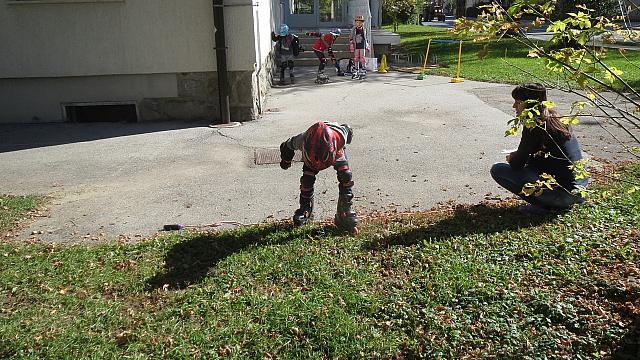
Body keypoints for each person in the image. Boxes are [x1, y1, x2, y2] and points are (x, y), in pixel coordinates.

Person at [490, 83, 589, 214]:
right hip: (581, 188)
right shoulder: (557, 118)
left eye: (518, 102)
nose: (514, 106)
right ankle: (563, 201)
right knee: (531, 167)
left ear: (530, 105)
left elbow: (517, 164)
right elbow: (548, 157)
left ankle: (543, 206)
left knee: (498, 169)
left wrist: (514, 157)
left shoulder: (534, 125)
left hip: (564, 196)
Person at [279, 121, 358, 233]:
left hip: (337, 152)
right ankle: (306, 209)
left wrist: (286, 161)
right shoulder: (301, 139)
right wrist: (286, 160)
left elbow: (348, 129)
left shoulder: (341, 136)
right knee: (307, 180)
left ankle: (344, 210)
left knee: (346, 176)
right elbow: (286, 146)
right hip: (311, 155)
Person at [349, 15, 369, 79]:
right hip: (356, 45)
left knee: (362, 57)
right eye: (357, 22)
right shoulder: (354, 29)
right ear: (355, 23)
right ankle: (356, 69)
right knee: (356, 57)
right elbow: (351, 37)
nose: (359, 23)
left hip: (362, 45)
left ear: (363, 23)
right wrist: (351, 43)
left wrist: (367, 45)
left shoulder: (364, 29)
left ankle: (363, 69)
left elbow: (365, 38)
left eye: (360, 22)